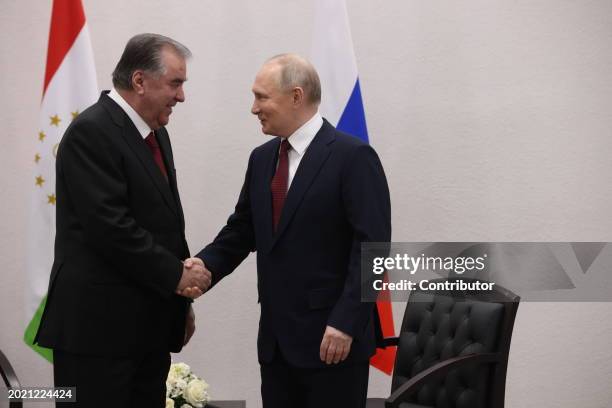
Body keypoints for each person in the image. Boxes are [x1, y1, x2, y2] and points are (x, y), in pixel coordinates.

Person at [186, 53, 391, 408]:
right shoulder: (262, 159)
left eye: (261, 97)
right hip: (277, 346)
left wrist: (345, 323)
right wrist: (202, 268)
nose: (253, 108)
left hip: (333, 343)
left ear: (296, 96)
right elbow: (242, 230)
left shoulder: (352, 157)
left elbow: (372, 248)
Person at [34, 33, 210, 408]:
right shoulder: (91, 132)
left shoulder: (154, 135)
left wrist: (181, 302)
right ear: (140, 81)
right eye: (175, 83)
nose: (181, 96)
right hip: (97, 336)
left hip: (145, 333)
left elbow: (164, 226)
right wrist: (178, 277)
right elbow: (111, 228)